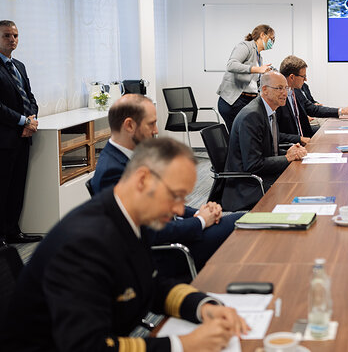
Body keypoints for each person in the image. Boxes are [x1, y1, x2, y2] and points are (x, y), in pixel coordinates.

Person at [3, 137, 249, 352]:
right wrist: (184, 345)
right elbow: (89, 347)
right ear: (142, 179)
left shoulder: (129, 217)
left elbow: (151, 283)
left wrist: (203, 306)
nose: (178, 209)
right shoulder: (84, 243)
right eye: (174, 196)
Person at [90, 94, 243, 272]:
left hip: (177, 232)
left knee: (242, 222)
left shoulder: (133, 156)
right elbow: (149, 232)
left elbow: (164, 203)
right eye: (151, 124)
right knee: (240, 223)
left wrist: (201, 213)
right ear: (129, 125)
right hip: (167, 251)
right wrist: (200, 221)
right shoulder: (112, 172)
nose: (156, 130)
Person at [223, 71, 307, 210]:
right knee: (299, 188)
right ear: (265, 90)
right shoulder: (252, 116)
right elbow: (253, 164)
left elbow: (267, 150)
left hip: (262, 176)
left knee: (302, 180)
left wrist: (290, 151)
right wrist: (287, 157)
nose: (284, 93)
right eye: (279, 88)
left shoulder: (269, 111)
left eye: (286, 88)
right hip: (249, 185)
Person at [0, 20, 42, 247]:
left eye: (15, 35)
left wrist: (31, 120)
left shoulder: (20, 66)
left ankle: (13, 231)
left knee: (17, 188)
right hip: (4, 140)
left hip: (23, 137)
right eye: (7, 35)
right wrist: (22, 120)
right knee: (3, 188)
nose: (12, 40)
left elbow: (30, 97)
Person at [276, 55, 348, 138]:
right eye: (303, 76)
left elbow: (313, 109)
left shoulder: (295, 92)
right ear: (292, 77)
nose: (305, 80)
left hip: (304, 138)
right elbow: (274, 135)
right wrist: (299, 139)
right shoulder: (277, 98)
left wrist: (342, 111)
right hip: (292, 145)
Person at [216, 24, 275, 131]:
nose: (273, 42)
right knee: (241, 135)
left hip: (247, 100)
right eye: (271, 38)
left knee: (249, 133)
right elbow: (231, 65)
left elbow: (252, 80)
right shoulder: (245, 46)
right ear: (262, 35)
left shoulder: (259, 57)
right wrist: (257, 69)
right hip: (234, 101)